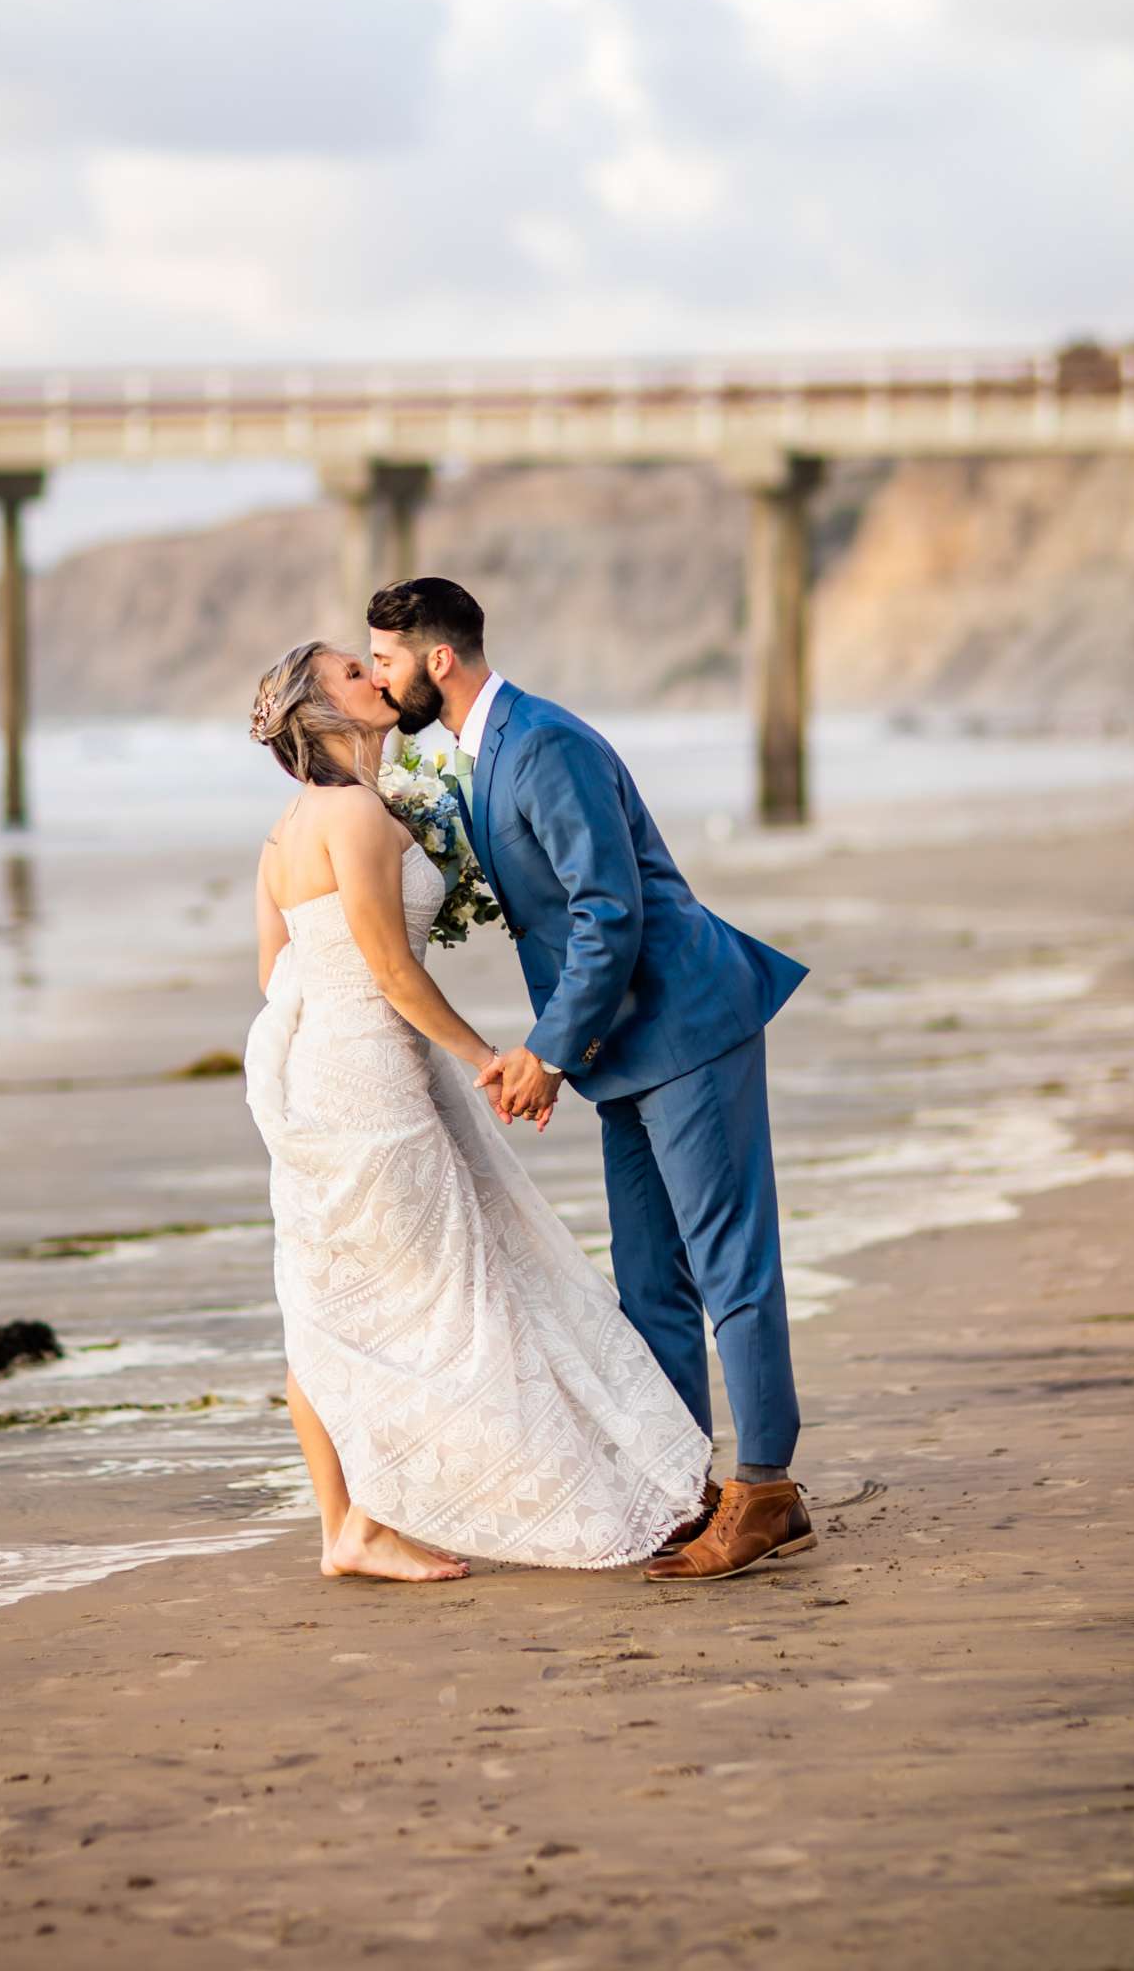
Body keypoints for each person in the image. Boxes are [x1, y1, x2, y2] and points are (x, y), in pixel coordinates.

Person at [366, 577, 815, 1584]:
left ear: (439, 660)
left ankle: (767, 1487)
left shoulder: (543, 744)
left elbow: (608, 910)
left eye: (387, 658)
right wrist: (568, 1052)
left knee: (731, 1264)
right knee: (650, 1279)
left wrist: (548, 1051)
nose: (383, 676)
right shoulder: (481, 753)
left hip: (687, 1022)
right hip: (623, 1045)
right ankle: (678, 1487)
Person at [242, 639, 714, 1582]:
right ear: (322, 713)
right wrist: (487, 1057)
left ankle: (346, 1527)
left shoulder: (285, 831)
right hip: (375, 1078)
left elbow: (275, 975)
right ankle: (380, 1518)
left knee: (334, 1299)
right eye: (350, 673)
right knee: (432, 1295)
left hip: (320, 1070)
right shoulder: (356, 818)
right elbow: (389, 970)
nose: (373, 678)